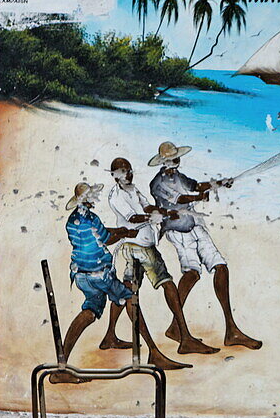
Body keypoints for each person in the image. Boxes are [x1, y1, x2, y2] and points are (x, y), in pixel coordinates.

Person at [54, 181, 188, 383]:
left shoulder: (73, 221)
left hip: (82, 275)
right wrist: (125, 233)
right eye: (91, 195)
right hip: (100, 274)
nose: (94, 198)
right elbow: (106, 238)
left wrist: (122, 231)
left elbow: (100, 234)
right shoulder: (91, 218)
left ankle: (61, 367)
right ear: (86, 199)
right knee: (129, 299)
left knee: (89, 313)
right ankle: (153, 352)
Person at [148, 141, 262, 351]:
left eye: (177, 157)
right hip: (177, 231)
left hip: (195, 225)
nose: (177, 160)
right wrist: (200, 195)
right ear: (163, 162)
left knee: (221, 267)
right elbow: (181, 198)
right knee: (192, 274)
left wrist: (218, 183)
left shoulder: (179, 176)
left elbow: (196, 186)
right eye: (172, 158)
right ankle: (177, 328)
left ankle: (232, 331)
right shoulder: (157, 183)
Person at [101, 157, 217, 355]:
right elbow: (133, 217)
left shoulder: (133, 190)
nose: (129, 173)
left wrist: (166, 212)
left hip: (141, 244)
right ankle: (185, 338)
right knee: (167, 284)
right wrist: (153, 217)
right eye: (123, 171)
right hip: (138, 247)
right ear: (115, 176)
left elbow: (147, 208)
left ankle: (109, 336)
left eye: (129, 170)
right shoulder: (116, 196)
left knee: (126, 290)